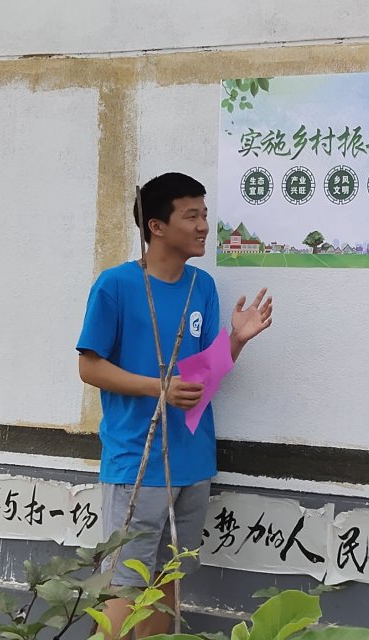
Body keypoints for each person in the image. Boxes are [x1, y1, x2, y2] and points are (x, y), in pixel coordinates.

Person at [76, 173, 273, 638]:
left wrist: (235, 341)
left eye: (204, 214)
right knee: (124, 587)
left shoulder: (201, 285)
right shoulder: (116, 285)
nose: (204, 226)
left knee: (168, 583)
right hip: (136, 464)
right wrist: (158, 388)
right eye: (192, 216)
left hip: (193, 462)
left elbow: (200, 377)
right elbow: (89, 367)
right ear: (157, 226)